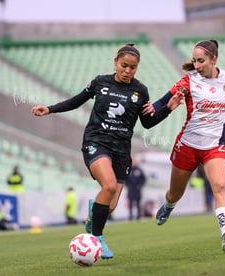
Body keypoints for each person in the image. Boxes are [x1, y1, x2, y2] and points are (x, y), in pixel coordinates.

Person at [31, 43, 183, 259]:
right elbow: (77, 101)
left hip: (121, 150)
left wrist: (167, 108)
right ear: (115, 62)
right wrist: (50, 109)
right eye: (124, 65)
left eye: (132, 67)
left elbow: (147, 123)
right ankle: (97, 238)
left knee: (109, 206)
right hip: (96, 142)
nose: (127, 71)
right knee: (109, 185)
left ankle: (95, 212)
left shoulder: (140, 90)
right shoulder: (100, 82)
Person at [143, 40, 225, 253]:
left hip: (215, 147)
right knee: (175, 194)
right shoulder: (188, 81)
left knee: (220, 186)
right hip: (188, 145)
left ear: (214, 59)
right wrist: (152, 108)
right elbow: (161, 102)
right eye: (194, 61)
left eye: (201, 61)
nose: (196, 65)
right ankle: (168, 206)